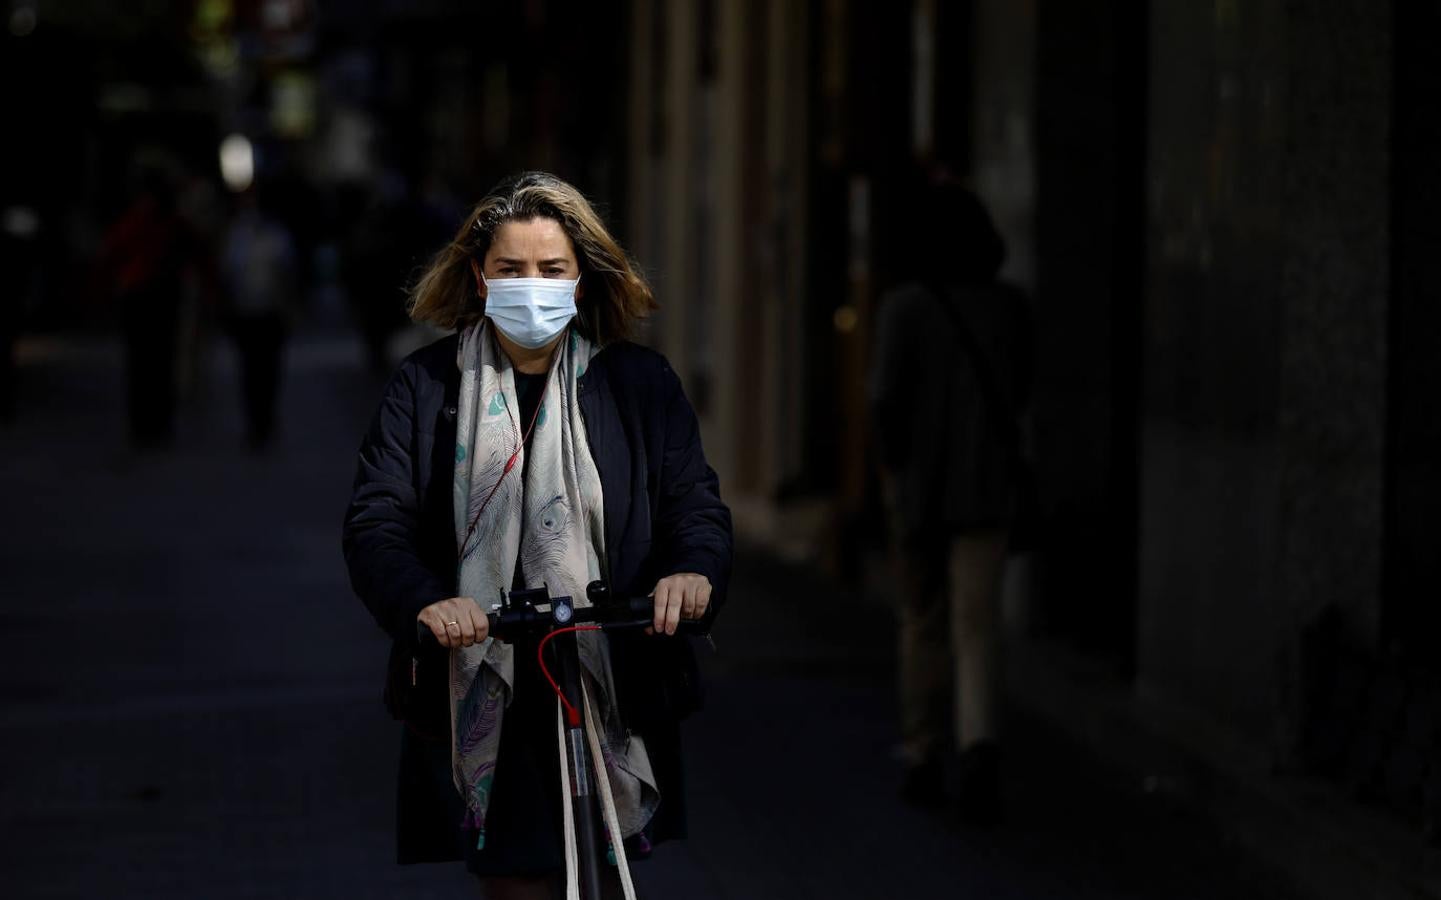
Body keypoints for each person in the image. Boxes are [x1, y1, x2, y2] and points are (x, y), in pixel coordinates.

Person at [342, 171, 732, 899]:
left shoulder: (639, 384)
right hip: (484, 677)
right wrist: (427, 602)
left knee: (610, 874)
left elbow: (693, 507)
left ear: (581, 281)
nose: (531, 286)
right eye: (510, 269)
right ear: (477, 278)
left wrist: (693, 572)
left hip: (611, 674)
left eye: (551, 270)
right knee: (518, 882)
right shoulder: (427, 386)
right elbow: (377, 522)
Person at [868, 173, 1034, 824]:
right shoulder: (1010, 307)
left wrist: (892, 471)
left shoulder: (903, 307)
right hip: (986, 485)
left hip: (918, 486)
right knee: (976, 622)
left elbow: (884, 400)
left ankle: (922, 751)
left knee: (921, 620)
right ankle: (979, 742)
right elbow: (1021, 389)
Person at [219, 184, 298, 449]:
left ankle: (265, 420)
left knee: (269, 370)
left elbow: (286, 275)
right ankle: (255, 423)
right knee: (249, 370)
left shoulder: (277, 235)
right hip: (246, 313)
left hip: (270, 313)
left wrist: (289, 310)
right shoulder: (235, 234)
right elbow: (229, 274)